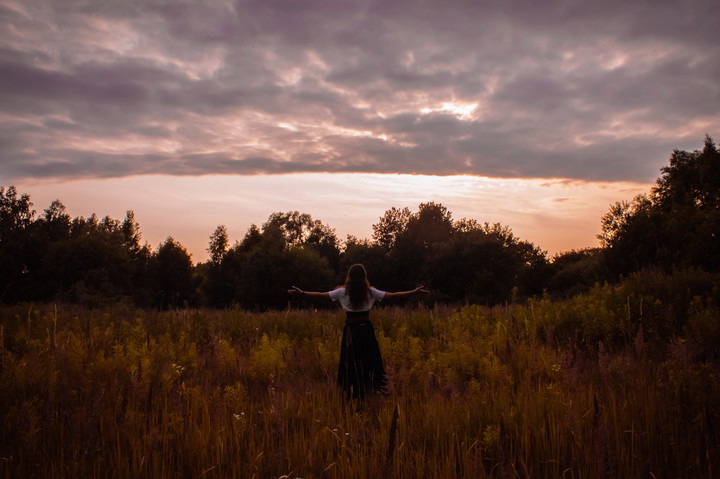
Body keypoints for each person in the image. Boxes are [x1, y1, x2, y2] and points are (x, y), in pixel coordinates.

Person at [288, 263, 428, 400]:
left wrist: (303, 294)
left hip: (351, 330)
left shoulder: (343, 292)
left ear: (349, 276)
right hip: (366, 330)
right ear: (364, 276)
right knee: (369, 360)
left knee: (351, 361)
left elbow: (320, 296)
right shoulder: (370, 292)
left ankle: (352, 392)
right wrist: (413, 293)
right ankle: (373, 389)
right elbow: (392, 296)